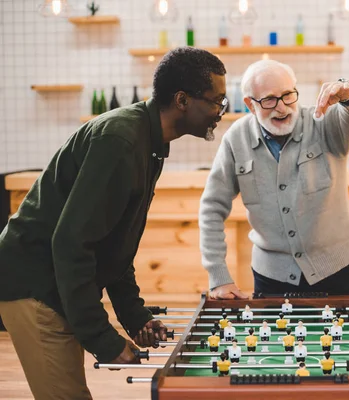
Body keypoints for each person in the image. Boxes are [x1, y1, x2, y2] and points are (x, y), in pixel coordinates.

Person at [0, 47, 227, 400]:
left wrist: (134, 317)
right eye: (217, 101)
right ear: (183, 100)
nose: (219, 113)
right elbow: (71, 243)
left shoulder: (148, 141)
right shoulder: (121, 141)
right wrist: (103, 338)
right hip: (35, 286)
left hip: (58, 281)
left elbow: (113, 243)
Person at [200, 59, 349, 299]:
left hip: (335, 271)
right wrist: (218, 276)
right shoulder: (235, 139)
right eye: (269, 100)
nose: (282, 107)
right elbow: (211, 207)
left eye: (288, 95)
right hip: (271, 277)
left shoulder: (323, 123)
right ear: (250, 104)